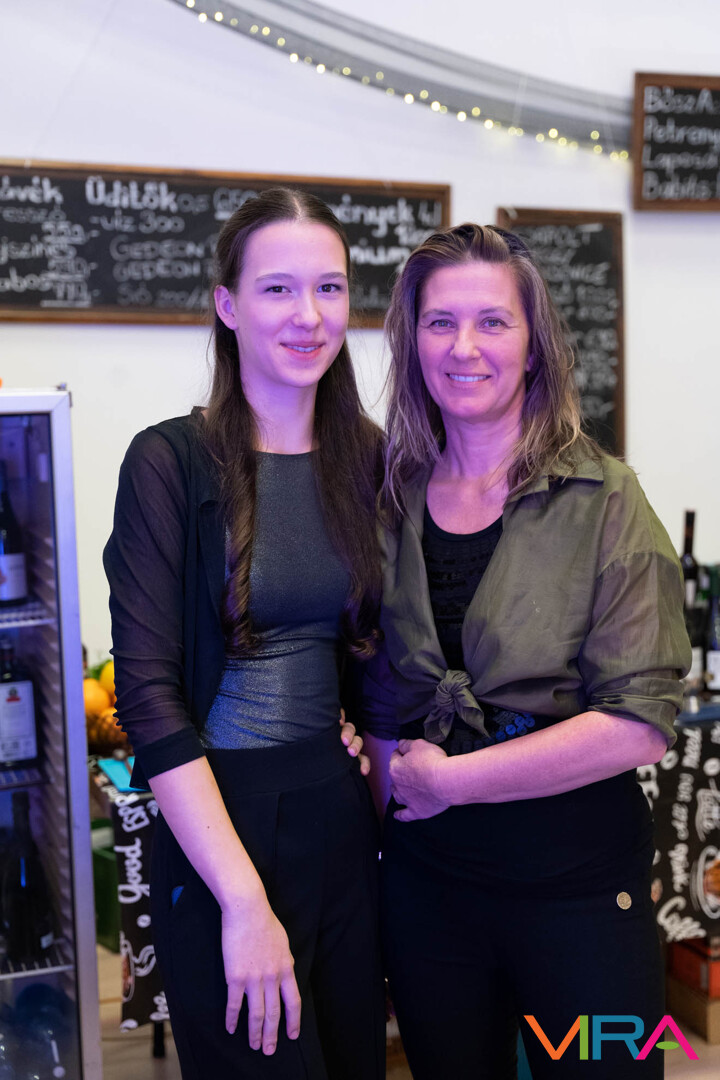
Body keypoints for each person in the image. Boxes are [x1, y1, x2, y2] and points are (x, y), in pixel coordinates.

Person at [361, 223, 690, 1080]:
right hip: (430, 895)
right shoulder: (391, 496)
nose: (463, 347)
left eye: (492, 322)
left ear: (535, 345)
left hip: (580, 893)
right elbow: (379, 688)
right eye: (440, 322)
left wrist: (450, 783)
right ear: (413, 340)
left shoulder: (607, 499)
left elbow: (638, 726)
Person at [103, 188, 386, 1080]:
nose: (310, 316)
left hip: (339, 816)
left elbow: (376, 644)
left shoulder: (370, 458)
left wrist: (360, 727)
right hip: (220, 828)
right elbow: (149, 699)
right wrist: (243, 901)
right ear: (227, 305)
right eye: (277, 289)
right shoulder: (170, 462)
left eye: (330, 288)